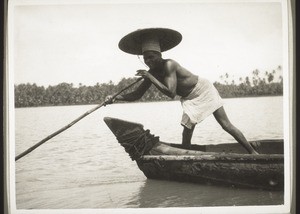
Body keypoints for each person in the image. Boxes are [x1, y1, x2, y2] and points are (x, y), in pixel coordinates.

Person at [105, 28, 258, 154]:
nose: (148, 61)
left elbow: (171, 93)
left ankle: (253, 153)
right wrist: (115, 98)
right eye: (145, 59)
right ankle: (186, 154)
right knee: (187, 128)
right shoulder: (151, 74)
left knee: (225, 125)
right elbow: (136, 95)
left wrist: (150, 77)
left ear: (159, 55)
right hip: (190, 98)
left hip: (203, 90)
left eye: (151, 57)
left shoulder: (169, 65)